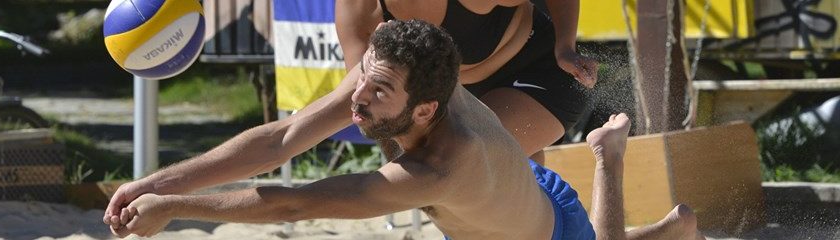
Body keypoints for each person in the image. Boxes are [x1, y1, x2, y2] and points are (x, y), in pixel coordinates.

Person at [103, 20, 702, 240]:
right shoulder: (391, 86)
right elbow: (278, 142)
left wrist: (176, 207)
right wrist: (152, 183)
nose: (356, 99)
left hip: (546, 230)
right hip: (510, 200)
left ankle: (608, 156)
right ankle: (668, 224)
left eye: (377, 91)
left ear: (424, 111)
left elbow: (291, 205)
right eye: (364, 80)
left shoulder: (437, 167)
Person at [336, 0, 598, 164]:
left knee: (457, 165)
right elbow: (363, 99)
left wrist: (565, 47)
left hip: (541, 70)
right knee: (512, 195)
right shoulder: (358, 9)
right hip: (466, 97)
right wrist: (401, 163)